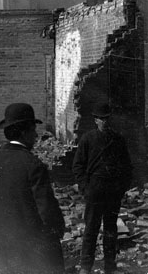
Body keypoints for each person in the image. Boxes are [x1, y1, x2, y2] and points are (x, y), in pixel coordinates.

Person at [0, 103, 65, 274]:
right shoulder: (33, 164)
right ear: (24, 132)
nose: (35, 136)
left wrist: (3, 227)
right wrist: (55, 231)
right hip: (32, 249)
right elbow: (46, 209)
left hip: (3, 247)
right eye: (33, 130)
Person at [72, 102, 133, 274]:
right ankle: (85, 267)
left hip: (112, 192)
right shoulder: (88, 139)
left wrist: (121, 188)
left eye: (106, 119)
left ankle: (110, 267)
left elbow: (127, 167)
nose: (104, 122)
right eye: (100, 119)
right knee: (91, 229)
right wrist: (85, 188)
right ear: (95, 120)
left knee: (111, 230)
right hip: (95, 190)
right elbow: (78, 166)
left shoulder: (118, 139)